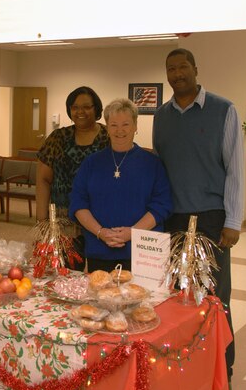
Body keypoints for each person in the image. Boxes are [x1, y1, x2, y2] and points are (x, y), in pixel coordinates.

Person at [153, 48, 244, 390]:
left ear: (195, 68)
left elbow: (235, 168)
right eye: (170, 69)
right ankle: (184, 369)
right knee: (178, 299)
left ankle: (224, 375)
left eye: (182, 66)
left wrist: (233, 221)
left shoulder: (224, 110)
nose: (177, 73)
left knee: (215, 301)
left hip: (210, 218)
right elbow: (160, 167)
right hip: (174, 219)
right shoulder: (161, 116)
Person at [69, 98, 172, 272]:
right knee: (100, 297)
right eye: (114, 125)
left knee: (144, 299)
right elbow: (78, 203)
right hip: (99, 249)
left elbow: (162, 206)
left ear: (135, 126)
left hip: (143, 254)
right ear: (107, 128)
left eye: (126, 124)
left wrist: (132, 232)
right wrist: (101, 232)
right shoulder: (91, 163)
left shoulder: (152, 163)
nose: (120, 130)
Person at [36, 86, 109, 256]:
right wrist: (41, 221)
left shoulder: (108, 137)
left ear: (96, 109)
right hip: (63, 224)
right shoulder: (58, 138)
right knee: (65, 276)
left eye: (86, 107)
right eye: (75, 107)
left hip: (100, 221)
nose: (80, 112)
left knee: (99, 276)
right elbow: (43, 179)